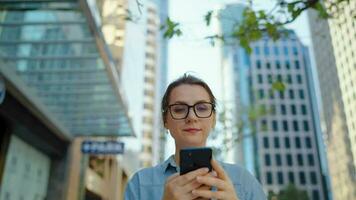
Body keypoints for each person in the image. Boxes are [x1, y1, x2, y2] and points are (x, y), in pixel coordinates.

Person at [124, 74, 266, 200]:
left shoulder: (243, 180)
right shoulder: (140, 183)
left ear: (214, 119)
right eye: (179, 109)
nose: (192, 117)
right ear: (165, 120)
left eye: (202, 108)